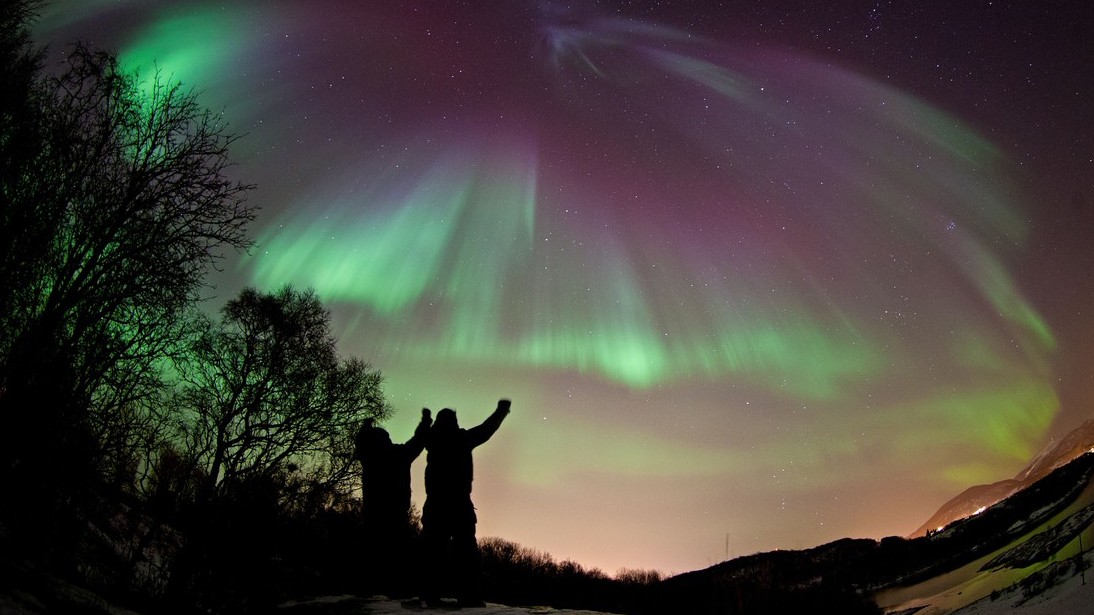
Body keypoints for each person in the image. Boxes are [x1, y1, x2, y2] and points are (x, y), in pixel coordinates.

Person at [419, 399, 511, 608]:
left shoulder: (431, 440)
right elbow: (486, 430)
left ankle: (430, 593)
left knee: (434, 550)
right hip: (458, 503)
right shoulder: (462, 439)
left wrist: (426, 420)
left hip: (437, 503)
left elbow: (422, 434)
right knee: (465, 550)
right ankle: (468, 595)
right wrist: (501, 411)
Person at [354, 408, 432, 597]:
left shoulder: (369, 457)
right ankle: (397, 589)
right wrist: (425, 423)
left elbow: (361, 442)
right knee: (397, 553)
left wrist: (365, 427)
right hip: (396, 512)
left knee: (372, 551)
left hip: (374, 511)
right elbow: (418, 441)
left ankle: (367, 588)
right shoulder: (399, 454)